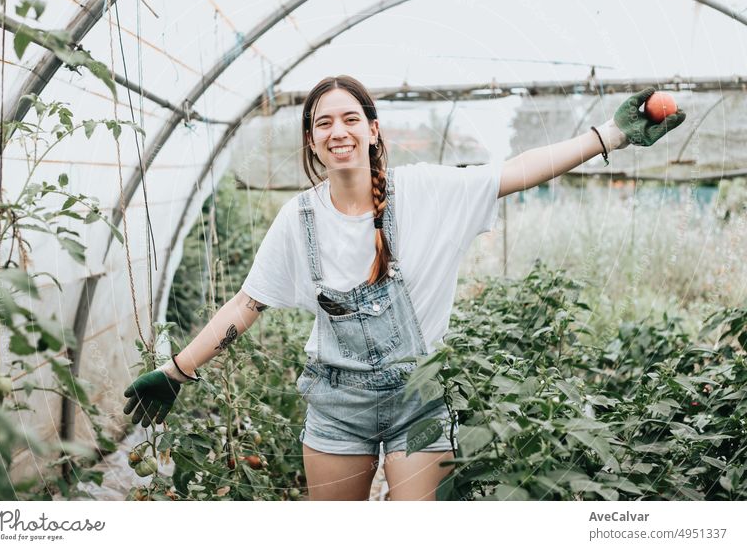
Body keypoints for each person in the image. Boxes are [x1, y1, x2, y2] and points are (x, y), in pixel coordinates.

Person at [123, 75, 685, 501]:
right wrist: (177, 369)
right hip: (336, 404)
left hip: (419, 398)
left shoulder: (428, 192)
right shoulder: (299, 220)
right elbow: (249, 303)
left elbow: (520, 169)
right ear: (313, 142)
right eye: (323, 124)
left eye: (349, 119)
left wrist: (611, 134)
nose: (337, 131)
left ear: (372, 130)